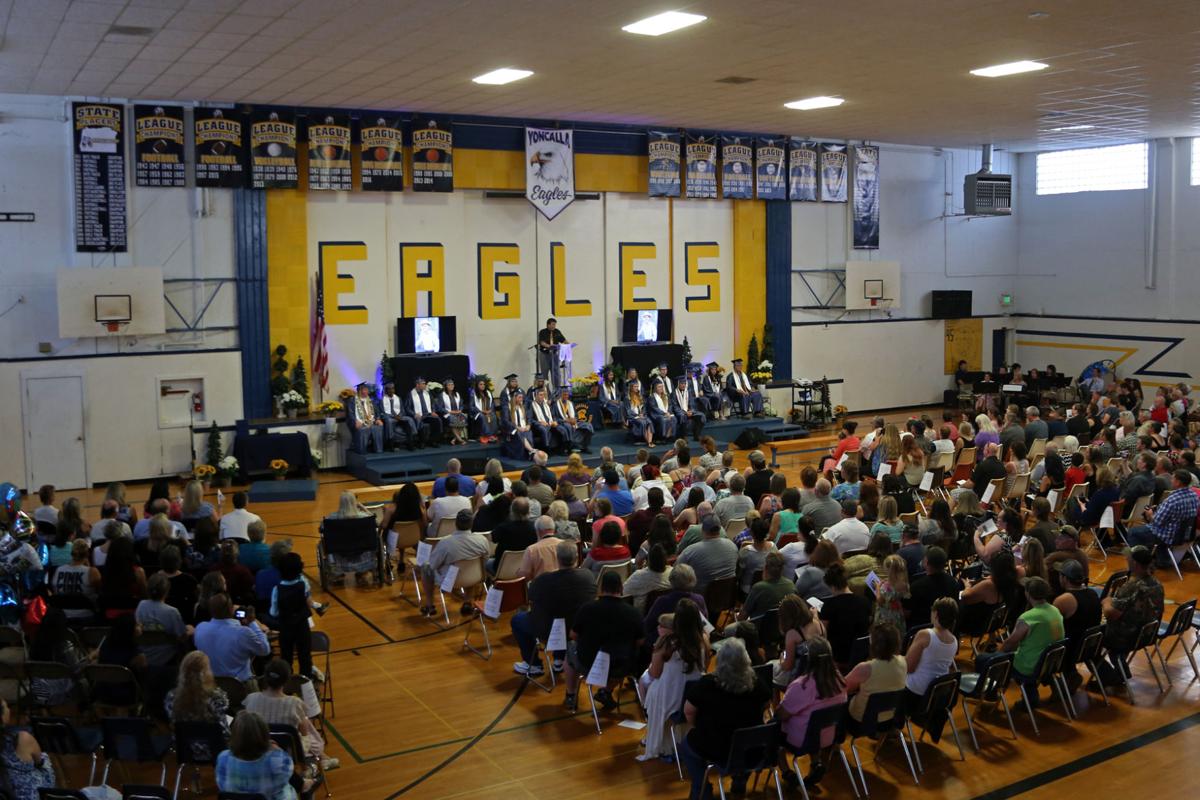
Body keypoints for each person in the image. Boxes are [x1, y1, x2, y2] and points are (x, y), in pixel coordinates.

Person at [679, 638, 771, 799]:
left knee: (686, 746)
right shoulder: (756, 682)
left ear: (720, 661)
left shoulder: (707, 684)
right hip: (752, 750)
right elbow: (766, 705)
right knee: (744, 741)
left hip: (717, 747)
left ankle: (702, 788)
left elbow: (689, 712)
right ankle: (740, 780)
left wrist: (697, 727)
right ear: (746, 660)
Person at [562, 571, 645, 712]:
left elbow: (573, 635)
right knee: (625, 655)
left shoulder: (587, 609)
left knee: (570, 647)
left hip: (589, 663)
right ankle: (606, 691)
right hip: (621, 665)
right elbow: (640, 642)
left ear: (601, 588)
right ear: (621, 588)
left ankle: (571, 694)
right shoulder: (633, 613)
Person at [638, 599, 708, 761]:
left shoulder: (667, 643)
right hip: (692, 697)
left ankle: (655, 735)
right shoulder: (703, 641)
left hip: (669, 698)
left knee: (647, 683)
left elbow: (655, 673)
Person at [511, 541, 596, 676]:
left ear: (557, 558)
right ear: (577, 557)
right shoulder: (588, 576)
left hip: (551, 630)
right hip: (579, 628)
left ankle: (533, 664)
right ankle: (559, 660)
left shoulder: (543, 580)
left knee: (517, 620)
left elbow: (530, 598)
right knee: (563, 615)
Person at [976, 577, 1064, 706]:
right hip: (1049, 662)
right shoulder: (1055, 610)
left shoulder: (1028, 617)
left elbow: (1010, 643)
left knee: (984, 659)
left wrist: (998, 655)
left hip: (1029, 665)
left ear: (1028, 593)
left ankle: (989, 693)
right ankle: (1030, 697)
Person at [777, 637, 847, 789]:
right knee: (812, 722)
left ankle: (786, 771)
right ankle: (816, 762)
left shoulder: (801, 685)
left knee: (773, 729)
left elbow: (782, 715)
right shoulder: (839, 680)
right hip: (829, 736)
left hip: (802, 740)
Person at [244, 658, 330, 768]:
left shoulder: (251, 699)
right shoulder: (295, 703)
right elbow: (304, 734)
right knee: (306, 724)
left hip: (259, 748)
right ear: (287, 681)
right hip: (289, 751)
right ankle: (318, 758)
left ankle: (321, 757)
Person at [1099, 545, 1164, 685]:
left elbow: (1111, 614)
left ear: (1134, 563)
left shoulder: (1131, 586)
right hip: (1147, 634)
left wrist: (1106, 602)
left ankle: (1111, 677)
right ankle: (1120, 669)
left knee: (1089, 642)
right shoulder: (1157, 584)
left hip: (1126, 636)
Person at [216, 710, 306, 800]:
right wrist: (276, 750)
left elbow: (221, 785)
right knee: (303, 785)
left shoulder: (223, 758)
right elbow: (288, 774)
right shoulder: (277, 760)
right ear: (265, 733)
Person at [420, 509, 490, 615]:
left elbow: (433, 565)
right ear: (472, 523)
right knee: (470, 565)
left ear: (455, 523)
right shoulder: (482, 540)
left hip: (451, 581)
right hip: (474, 578)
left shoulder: (446, 543)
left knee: (426, 567)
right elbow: (485, 560)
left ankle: (430, 605)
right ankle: (467, 602)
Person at [194, 592, 271, 683]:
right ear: (230, 609)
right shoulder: (242, 632)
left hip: (211, 684)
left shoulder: (200, 628)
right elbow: (265, 650)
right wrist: (252, 622)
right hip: (240, 686)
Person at [1052, 559, 1102, 692]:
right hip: (1090, 646)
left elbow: (1049, 625)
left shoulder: (1064, 600)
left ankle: (1060, 681)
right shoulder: (1092, 593)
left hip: (1071, 650)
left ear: (1064, 578)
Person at [1126, 470, 1199, 556]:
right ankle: (1160, 557)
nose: (1171, 481)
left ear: (1178, 482)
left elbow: (1157, 522)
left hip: (1168, 536)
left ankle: (1141, 560)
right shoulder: (1194, 496)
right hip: (1185, 534)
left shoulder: (1172, 500)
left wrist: (1149, 514)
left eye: (1172, 478)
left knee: (1133, 532)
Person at [844, 624, 907, 722]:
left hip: (862, 719)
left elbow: (843, 689)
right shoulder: (903, 661)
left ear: (873, 643)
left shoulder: (865, 668)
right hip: (889, 716)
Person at [904, 597, 959, 708]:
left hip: (915, 692)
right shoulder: (954, 641)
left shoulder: (925, 635)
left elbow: (909, 667)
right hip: (937, 695)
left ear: (936, 614)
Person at [818, 563, 872, 671]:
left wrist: (815, 617)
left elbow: (822, 633)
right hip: (861, 654)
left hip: (838, 655)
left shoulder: (830, 606)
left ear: (832, 586)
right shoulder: (865, 602)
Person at [0, 697, 57, 800]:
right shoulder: (22, 739)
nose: (9, 709)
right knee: (44, 759)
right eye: (6, 707)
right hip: (28, 795)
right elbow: (39, 762)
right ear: (2, 717)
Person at [165, 650, 230, 733]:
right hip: (213, 744)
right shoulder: (216, 696)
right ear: (205, 672)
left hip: (183, 744)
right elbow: (224, 732)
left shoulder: (171, 697)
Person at [769, 594, 825, 688]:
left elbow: (788, 666)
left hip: (798, 676)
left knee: (769, 666)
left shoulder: (792, 634)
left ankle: (777, 700)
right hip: (819, 671)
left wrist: (782, 658)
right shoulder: (819, 624)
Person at [643, 563, 709, 642]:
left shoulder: (662, 601)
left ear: (671, 580)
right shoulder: (699, 599)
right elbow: (705, 624)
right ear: (693, 579)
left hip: (668, 644)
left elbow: (647, 626)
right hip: (693, 642)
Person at [136, 572, 188, 668]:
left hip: (145, 657)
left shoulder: (141, 605)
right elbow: (182, 638)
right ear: (167, 591)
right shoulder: (172, 612)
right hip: (167, 660)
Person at [675, 515, 737, 593]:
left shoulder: (690, 551)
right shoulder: (733, 546)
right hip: (728, 596)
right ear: (720, 529)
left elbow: (675, 571)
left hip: (698, 600)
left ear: (702, 530)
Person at [905, 547, 961, 628]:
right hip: (947, 629)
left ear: (926, 562)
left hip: (920, 630)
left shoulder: (917, 586)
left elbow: (906, 613)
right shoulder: (954, 582)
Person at [50, 538, 101, 620]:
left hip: (62, 615)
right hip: (86, 616)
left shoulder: (59, 570)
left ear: (71, 553)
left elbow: (55, 592)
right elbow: (99, 592)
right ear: (87, 554)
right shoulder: (92, 571)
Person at [735, 520, 777, 598]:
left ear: (752, 533)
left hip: (747, 592)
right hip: (768, 587)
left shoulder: (745, 552)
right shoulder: (774, 548)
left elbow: (738, 574)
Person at [624, 544, 673, 610]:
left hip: (642, 616)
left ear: (648, 560)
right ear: (666, 559)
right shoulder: (673, 574)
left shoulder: (638, 576)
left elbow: (623, 592)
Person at [873, 554, 910, 640]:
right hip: (897, 614)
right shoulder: (904, 584)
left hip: (886, 615)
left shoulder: (886, 587)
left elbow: (880, 601)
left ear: (889, 570)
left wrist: (877, 588)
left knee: (886, 637)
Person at [553, 385, 594, 453]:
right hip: (563, 423)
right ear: (560, 395)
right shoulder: (555, 405)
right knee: (568, 426)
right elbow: (554, 418)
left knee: (588, 425)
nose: (566, 396)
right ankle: (570, 448)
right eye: (564, 395)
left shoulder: (570, 403)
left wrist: (575, 419)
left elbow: (576, 415)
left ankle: (584, 446)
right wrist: (566, 420)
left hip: (574, 423)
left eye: (567, 395)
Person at [405, 376, 443, 447]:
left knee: (437, 420)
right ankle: (421, 442)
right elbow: (407, 408)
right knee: (419, 421)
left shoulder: (427, 393)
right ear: (417, 385)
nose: (425, 385)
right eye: (423, 383)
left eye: (425, 383)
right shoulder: (411, 394)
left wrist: (433, 411)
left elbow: (432, 404)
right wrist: (414, 414)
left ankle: (433, 441)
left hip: (428, 414)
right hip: (418, 415)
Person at [348, 381, 385, 453]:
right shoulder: (352, 401)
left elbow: (377, 412)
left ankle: (378, 450)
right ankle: (361, 450)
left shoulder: (371, 400)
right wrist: (355, 421)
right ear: (359, 391)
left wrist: (378, 419)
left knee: (378, 428)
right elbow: (350, 413)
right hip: (359, 423)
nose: (367, 391)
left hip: (371, 422)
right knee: (362, 429)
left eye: (367, 390)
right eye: (365, 390)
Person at [379, 381, 417, 450]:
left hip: (399, 417)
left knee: (409, 419)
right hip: (389, 417)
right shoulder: (382, 400)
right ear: (386, 390)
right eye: (389, 389)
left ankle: (411, 441)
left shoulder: (398, 398)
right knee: (389, 421)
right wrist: (393, 416)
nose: (391, 390)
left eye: (393, 388)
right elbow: (382, 412)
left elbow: (402, 410)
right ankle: (390, 443)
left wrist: (400, 415)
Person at [501, 389, 537, 459]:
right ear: (514, 398)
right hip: (511, 430)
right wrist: (517, 427)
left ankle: (530, 451)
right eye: (519, 397)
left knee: (529, 432)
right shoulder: (507, 407)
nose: (521, 399)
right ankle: (531, 450)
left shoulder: (523, 406)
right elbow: (505, 421)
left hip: (523, 428)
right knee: (519, 433)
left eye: (522, 397)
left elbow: (529, 417)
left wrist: (528, 425)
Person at [435, 376, 469, 445]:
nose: (451, 386)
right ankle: (460, 439)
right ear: (446, 386)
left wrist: (460, 410)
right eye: (449, 385)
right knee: (453, 419)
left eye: (452, 384)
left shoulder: (457, 394)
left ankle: (454, 439)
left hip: (458, 413)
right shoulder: (442, 395)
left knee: (463, 418)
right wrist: (450, 412)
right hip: (447, 414)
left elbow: (462, 404)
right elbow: (439, 408)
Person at [670, 374, 705, 441]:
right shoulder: (674, 394)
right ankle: (684, 436)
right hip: (680, 412)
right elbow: (675, 407)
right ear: (678, 384)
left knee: (701, 416)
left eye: (685, 383)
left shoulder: (688, 392)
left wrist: (691, 411)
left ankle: (697, 435)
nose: (683, 385)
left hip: (689, 411)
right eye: (682, 383)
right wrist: (685, 412)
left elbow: (691, 403)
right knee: (682, 416)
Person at [537, 317, 568, 390]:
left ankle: (557, 390)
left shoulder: (557, 332)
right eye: (552, 324)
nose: (554, 326)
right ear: (548, 325)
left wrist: (569, 345)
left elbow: (564, 340)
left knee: (556, 373)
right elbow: (542, 342)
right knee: (544, 374)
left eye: (555, 325)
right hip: (545, 355)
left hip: (554, 355)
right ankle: (546, 391)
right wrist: (549, 346)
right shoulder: (543, 332)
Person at [469, 376, 498, 443]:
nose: (483, 386)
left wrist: (490, 410)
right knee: (482, 416)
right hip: (477, 413)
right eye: (481, 384)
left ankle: (493, 434)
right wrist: (481, 411)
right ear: (477, 385)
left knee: (493, 415)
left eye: (484, 384)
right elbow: (471, 407)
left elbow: (492, 404)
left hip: (488, 411)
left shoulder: (488, 393)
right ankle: (489, 435)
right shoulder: (473, 394)